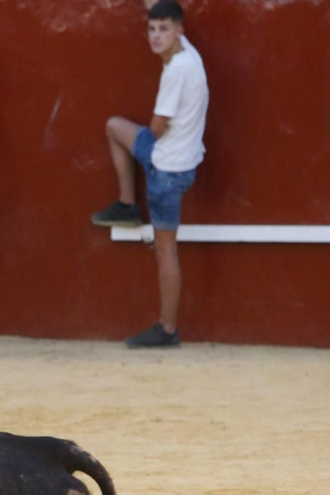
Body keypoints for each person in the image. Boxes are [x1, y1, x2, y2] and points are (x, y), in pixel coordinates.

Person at [90, 0, 208, 349]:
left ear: (179, 31)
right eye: (152, 29)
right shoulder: (191, 53)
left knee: (166, 250)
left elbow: (156, 129)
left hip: (164, 170)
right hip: (185, 163)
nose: (156, 37)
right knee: (116, 127)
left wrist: (152, 133)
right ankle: (127, 204)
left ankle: (167, 328)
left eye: (163, 30)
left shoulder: (175, 72)